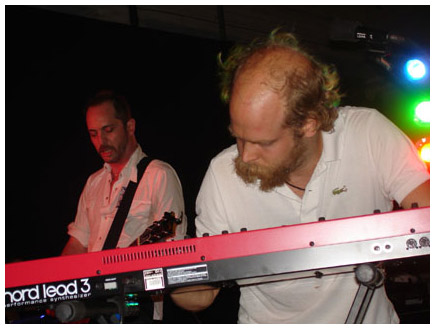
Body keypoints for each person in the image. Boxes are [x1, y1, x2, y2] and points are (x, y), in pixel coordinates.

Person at [170, 30, 430, 323]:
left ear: (309, 123)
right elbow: (202, 295)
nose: (244, 156)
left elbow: (426, 215)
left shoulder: (368, 134)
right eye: (238, 138)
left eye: (262, 143)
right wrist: (165, 272)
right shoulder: (221, 173)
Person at [62, 90, 187, 322]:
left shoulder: (158, 175)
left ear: (130, 127)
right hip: (93, 309)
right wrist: (57, 286)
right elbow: (77, 244)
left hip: (136, 308)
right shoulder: (93, 183)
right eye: (93, 134)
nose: (101, 141)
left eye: (108, 130)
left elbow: (172, 244)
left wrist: (128, 264)